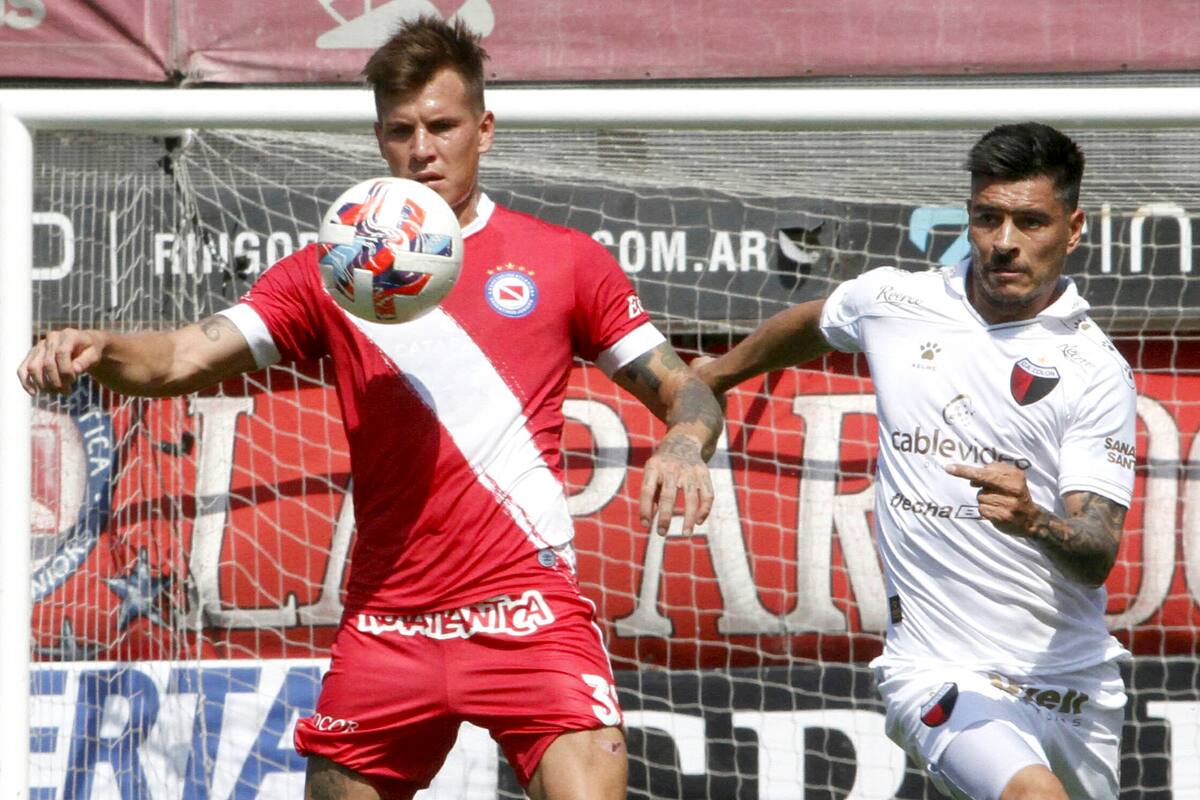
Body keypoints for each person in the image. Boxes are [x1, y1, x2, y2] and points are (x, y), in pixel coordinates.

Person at [18, 16, 723, 800]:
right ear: (380, 138)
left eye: (442, 126)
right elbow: (186, 355)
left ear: (483, 130)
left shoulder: (563, 261)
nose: (423, 148)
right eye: (401, 130)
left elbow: (683, 385)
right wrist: (98, 348)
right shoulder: (335, 271)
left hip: (530, 614)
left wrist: (685, 443)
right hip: (390, 622)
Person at [694, 122, 1134, 800]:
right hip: (938, 669)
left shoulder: (1095, 370)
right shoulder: (898, 300)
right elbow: (817, 321)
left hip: (1074, 685)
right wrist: (721, 373)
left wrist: (1033, 521)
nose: (1005, 242)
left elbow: (1099, 548)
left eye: (1030, 221)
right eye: (988, 218)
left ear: (1072, 229)